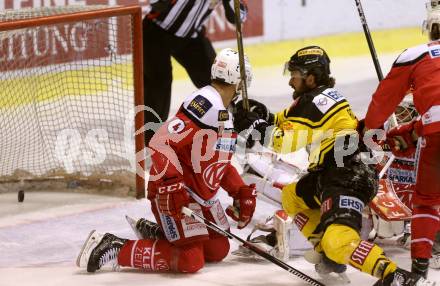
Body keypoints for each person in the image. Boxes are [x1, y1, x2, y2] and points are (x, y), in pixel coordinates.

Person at [233, 45, 436, 285]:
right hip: (332, 175)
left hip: (347, 177)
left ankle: (396, 276)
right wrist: (262, 114)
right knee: (292, 197)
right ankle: (329, 255)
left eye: (294, 76)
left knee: (338, 240)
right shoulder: (316, 98)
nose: (290, 82)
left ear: (310, 77)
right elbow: (283, 120)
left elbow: (283, 141)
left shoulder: (316, 102)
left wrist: (255, 127)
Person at [76, 48, 256, 274]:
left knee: (218, 248)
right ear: (240, 82)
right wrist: (171, 185)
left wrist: (239, 190)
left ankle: (159, 235)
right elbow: (161, 141)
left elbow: (215, 161)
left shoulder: (223, 112)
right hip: (172, 191)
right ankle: (113, 245)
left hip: (195, 195)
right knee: (191, 260)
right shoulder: (206, 102)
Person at [364, 0, 440, 281]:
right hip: (429, 130)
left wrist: (371, 135)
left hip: (433, 137)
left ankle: (419, 272)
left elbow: (380, 106)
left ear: (429, 28)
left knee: (427, 202)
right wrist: (414, 130)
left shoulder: (415, 55)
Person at [143, 0, 248, 144]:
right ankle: (150, 138)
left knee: (219, 81)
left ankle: (230, 127)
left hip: (191, 37)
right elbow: (157, 4)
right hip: (156, 31)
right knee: (159, 81)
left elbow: (238, 16)